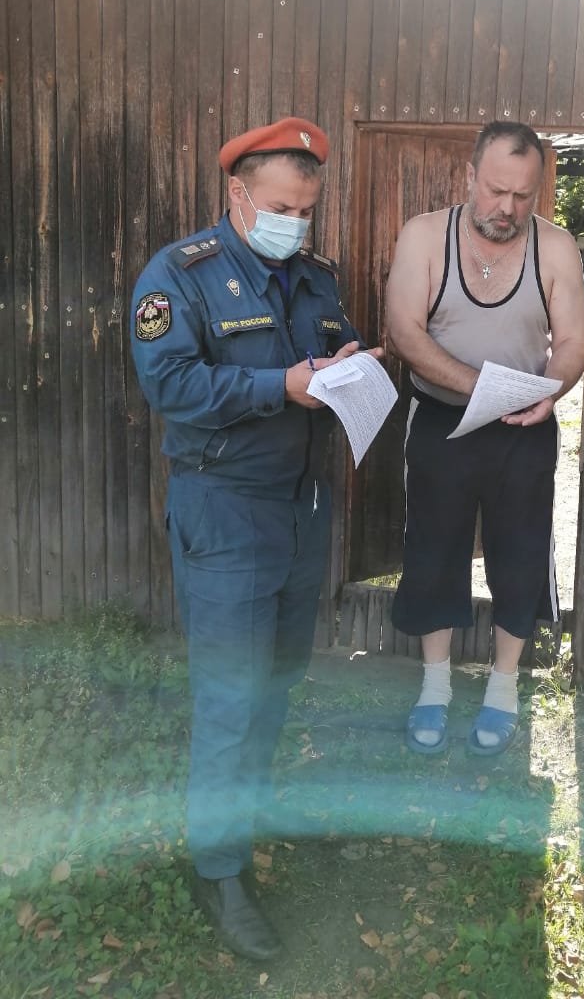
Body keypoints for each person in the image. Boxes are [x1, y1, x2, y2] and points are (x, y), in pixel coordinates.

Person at [131, 117, 382, 961]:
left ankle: (251, 812)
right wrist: (283, 385)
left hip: (300, 511)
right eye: (282, 208)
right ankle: (218, 870)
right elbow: (171, 384)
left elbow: (325, 351)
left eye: (307, 210)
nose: (296, 225)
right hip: (226, 509)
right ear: (238, 195)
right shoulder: (180, 276)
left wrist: (348, 363)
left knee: (277, 680)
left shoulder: (315, 277)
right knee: (230, 698)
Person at [385, 120, 584, 757]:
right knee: (433, 548)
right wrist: (478, 387)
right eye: (497, 190)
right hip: (441, 418)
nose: (508, 208)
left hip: (524, 423)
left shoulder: (556, 247)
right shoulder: (425, 235)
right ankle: (435, 685)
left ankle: (503, 689)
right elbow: (403, 332)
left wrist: (552, 389)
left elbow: (574, 343)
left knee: (520, 552)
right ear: (470, 176)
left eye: (523, 196)